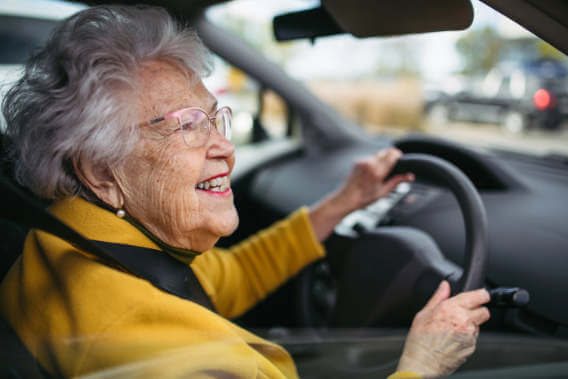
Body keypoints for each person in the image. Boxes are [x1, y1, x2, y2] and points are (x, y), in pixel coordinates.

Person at [0, 5, 490, 378]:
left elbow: (226, 276)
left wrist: (341, 204)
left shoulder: (75, 237)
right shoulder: (180, 358)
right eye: (189, 126)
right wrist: (421, 364)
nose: (225, 148)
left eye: (217, 118)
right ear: (101, 172)